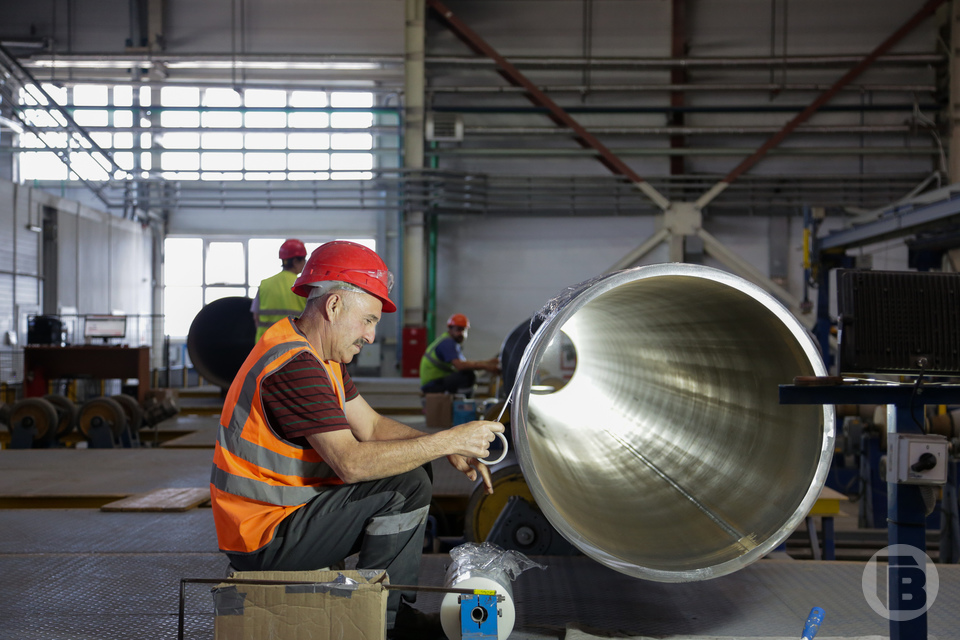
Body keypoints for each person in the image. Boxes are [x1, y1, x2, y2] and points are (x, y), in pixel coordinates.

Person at [211, 240, 504, 640]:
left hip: (285, 519)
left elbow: (372, 426)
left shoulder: (319, 355)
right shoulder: (294, 366)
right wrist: (448, 440)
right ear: (333, 307)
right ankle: (386, 621)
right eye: (367, 320)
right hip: (264, 539)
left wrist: (447, 444)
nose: (370, 336)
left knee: (411, 468)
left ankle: (391, 611)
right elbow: (352, 464)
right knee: (406, 484)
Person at [419, 313, 501, 396]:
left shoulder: (453, 343)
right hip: (432, 385)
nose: (461, 334)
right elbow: (461, 366)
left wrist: (489, 362)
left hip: (436, 382)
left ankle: (461, 403)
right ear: (450, 329)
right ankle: (463, 404)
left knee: (468, 373)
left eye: (464, 330)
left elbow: (465, 363)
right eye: (458, 329)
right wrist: (485, 366)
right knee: (468, 375)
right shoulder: (448, 342)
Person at [251, 238, 308, 341]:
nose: (305, 263)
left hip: (264, 346)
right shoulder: (302, 285)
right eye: (304, 259)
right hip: (294, 346)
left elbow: (256, 317)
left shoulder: (265, 284)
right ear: (295, 261)